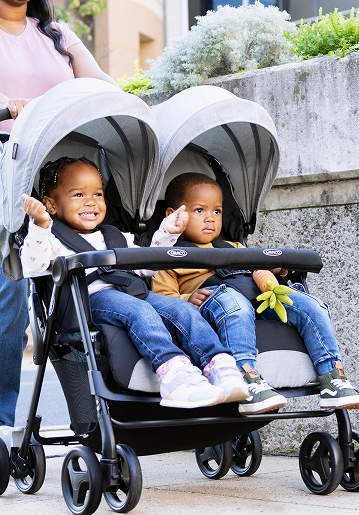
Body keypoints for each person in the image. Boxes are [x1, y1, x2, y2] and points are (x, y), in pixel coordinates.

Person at [0, 0, 116, 466]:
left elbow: (99, 84)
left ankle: (89, 412)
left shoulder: (56, 34)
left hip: (45, 185)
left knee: (67, 291)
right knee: (7, 281)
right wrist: (7, 105)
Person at [20, 156, 249, 410]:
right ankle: (174, 375)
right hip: (88, 301)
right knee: (138, 311)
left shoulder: (116, 236)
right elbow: (33, 265)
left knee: (181, 309)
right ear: (50, 204)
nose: (91, 202)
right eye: (78, 195)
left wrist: (167, 233)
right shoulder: (52, 240)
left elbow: (147, 264)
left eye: (98, 194)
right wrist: (39, 226)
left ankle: (221, 367)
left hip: (132, 293)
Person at [151, 172, 359, 415]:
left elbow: (262, 262)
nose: (210, 219)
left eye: (216, 212)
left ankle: (333, 377)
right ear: (172, 215)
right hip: (216, 301)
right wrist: (188, 299)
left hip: (258, 295)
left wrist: (277, 268)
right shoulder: (167, 256)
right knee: (235, 304)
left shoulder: (234, 247)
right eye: (199, 211)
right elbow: (162, 299)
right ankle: (248, 379)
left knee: (310, 305)